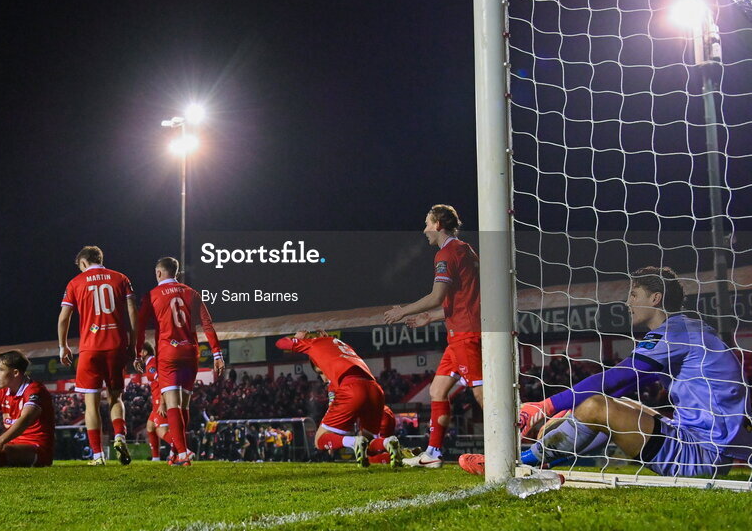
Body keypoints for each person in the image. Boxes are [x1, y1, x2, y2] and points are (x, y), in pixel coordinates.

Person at [461, 266, 752, 478]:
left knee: (597, 406)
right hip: (709, 446)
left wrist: (546, 405)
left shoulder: (675, 332)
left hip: (702, 453)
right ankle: (538, 463)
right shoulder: (688, 329)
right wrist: (569, 411)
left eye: (634, 294)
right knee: (604, 406)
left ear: (655, 298)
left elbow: (620, 378)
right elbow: (622, 389)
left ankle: (518, 464)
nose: (628, 303)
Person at [383, 204, 483, 468]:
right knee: (437, 391)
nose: (425, 229)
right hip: (459, 332)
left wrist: (402, 312)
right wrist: (432, 317)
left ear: (438, 224)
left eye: (427, 223)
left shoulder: (446, 254)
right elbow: (466, 299)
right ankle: (433, 454)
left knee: (484, 394)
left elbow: (437, 296)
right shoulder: (466, 249)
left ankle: (515, 446)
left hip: (466, 335)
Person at [134, 256, 226, 466]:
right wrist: (217, 354)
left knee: (174, 405)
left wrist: (137, 351)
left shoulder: (152, 295)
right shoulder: (191, 293)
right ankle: (177, 453)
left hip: (169, 354)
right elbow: (207, 324)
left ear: (159, 273)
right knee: (183, 407)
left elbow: (140, 326)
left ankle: (183, 452)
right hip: (190, 353)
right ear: (176, 272)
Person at [58, 245, 138, 466]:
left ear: (83, 263)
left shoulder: (75, 282)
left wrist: (63, 346)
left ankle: (97, 456)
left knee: (91, 404)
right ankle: (120, 437)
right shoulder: (121, 278)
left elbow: (64, 317)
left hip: (90, 348)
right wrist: (133, 343)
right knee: (116, 397)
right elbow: (132, 312)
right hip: (116, 345)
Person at [276, 330, 402, 468]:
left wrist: (297, 339)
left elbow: (280, 343)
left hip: (352, 387)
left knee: (319, 440)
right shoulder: (344, 345)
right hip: (375, 389)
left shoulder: (314, 345)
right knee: (369, 445)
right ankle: (387, 442)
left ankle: (353, 442)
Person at [138, 342, 170, 461]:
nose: (137, 355)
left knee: (161, 431)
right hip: (156, 400)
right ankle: (156, 458)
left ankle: (183, 450)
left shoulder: (151, 364)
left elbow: (162, 380)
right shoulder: (149, 363)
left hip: (160, 400)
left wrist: (162, 403)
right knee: (150, 427)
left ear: (145, 352)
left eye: (139, 352)